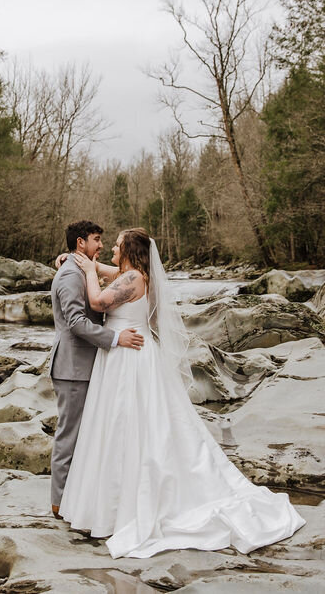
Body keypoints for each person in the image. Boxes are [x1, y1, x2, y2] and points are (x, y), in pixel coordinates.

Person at [58, 227, 306, 559]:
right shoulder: (132, 273)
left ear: (130, 252)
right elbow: (107, 272)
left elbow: (97, 300)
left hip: (129, 358)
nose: (111, 251)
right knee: (122, 426)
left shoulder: (131, 279)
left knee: (129, 425)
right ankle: (111, 504)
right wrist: (77, 262)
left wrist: (87, 270)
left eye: (116, 247)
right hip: (121, 358)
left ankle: (125, 505)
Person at [48, 220, 145, 520]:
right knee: (70, 436)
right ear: (80, 244)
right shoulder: (69, 276)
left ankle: (84, 499)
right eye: (97, 240)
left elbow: (108, 274)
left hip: (93, 365)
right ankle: (60, 503)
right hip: (73, 368)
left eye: (107, 242)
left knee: (90, 434)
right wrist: (115, 338)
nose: (102, 245)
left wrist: (89, 267)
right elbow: (76, 323)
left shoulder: (86, 269)